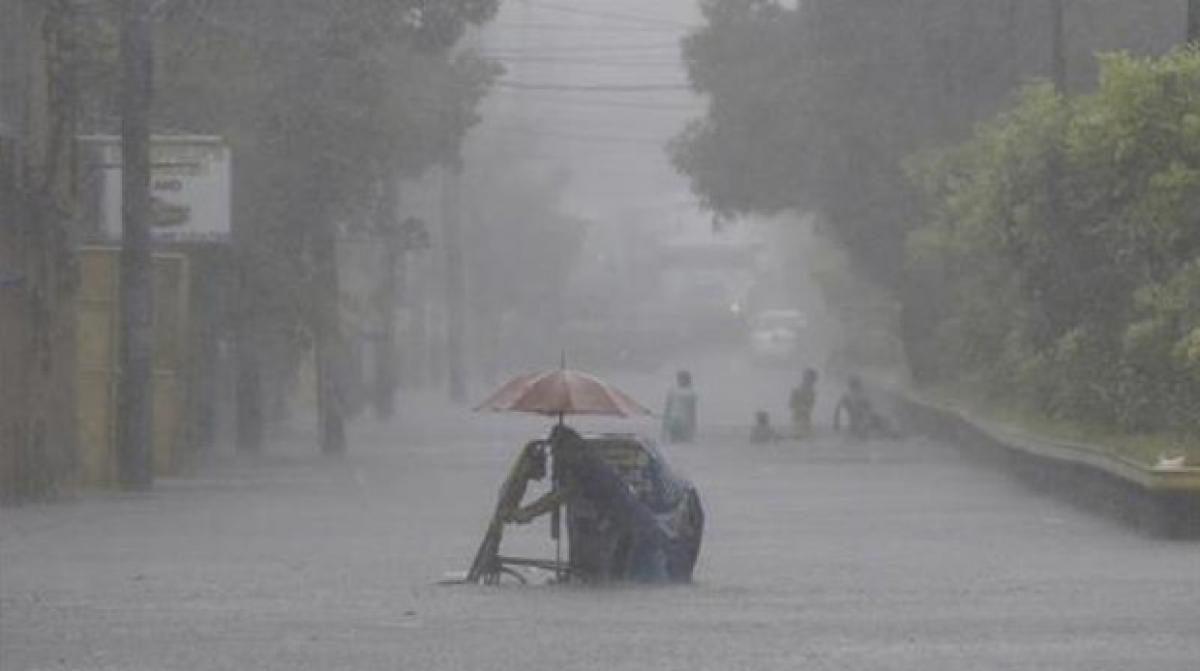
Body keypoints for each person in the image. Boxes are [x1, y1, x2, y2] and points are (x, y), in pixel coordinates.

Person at [833, 375, 895, 440]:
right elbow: (838, 409)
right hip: (859, 424)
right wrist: (836, 424)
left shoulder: (852, 396)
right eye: (857, 385)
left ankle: (889, 432)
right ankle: (889, 433)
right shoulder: (849, 396)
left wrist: (836, 424)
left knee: (882, 420)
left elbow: (837, 409)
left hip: (862, 422)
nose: (859, 387)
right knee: (879, 423)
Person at [662, 370, 697, 443]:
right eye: (680, 378)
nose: (681, 380)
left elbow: (692, 411)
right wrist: (664, 426)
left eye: (683, 378)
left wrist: (692, 426)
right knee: (676, 442)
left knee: (682, 442)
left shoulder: (691, 393)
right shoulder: (673, 391)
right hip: (674, 421)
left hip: (684, 423)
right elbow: (668, 407)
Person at [789, 368, 818, 438]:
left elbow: (811, 406)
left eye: (812, 380)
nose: (811, 382)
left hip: (806, 420)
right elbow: (791, 405)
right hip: (798, 419)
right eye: (807, 379)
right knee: (799, 436)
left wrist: (805, 409)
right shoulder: (796, 390)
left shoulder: (812, 392)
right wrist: (801, 408)